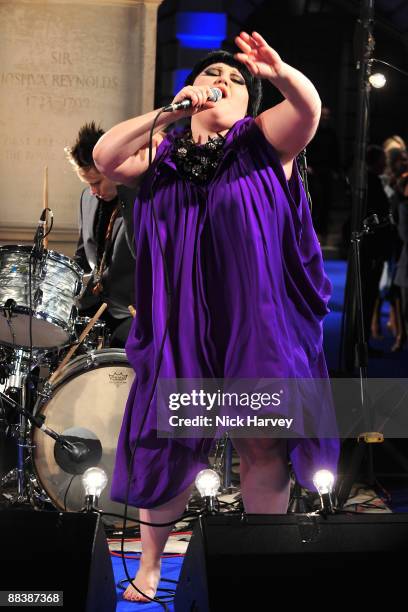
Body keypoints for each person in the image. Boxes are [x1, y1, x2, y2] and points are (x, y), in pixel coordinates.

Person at [94, 31, 339, 602]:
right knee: (172, 442)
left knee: (261, 443)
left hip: (255, 324)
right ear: (191, 90)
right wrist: (169, 112)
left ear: (251, 101)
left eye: (235, 81)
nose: (223, 84)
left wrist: (276, 72)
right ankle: (151, 569)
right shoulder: (162, 153)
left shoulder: (263, 142)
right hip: (181, 327)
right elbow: (106, 157)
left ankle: (262, 568)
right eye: (213, 77)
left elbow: (308, 108)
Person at [65, 122, 137, 348]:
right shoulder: (87, 198)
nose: (93, 192)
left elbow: (144, 251)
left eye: (96, 182)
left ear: (112, 168)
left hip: (130, 313)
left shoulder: (140, 199)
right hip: (92, 308)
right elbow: (82, 256)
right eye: (88, 184)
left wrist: (125, 192)